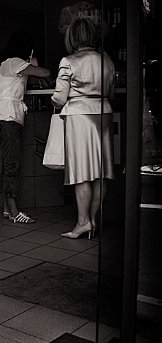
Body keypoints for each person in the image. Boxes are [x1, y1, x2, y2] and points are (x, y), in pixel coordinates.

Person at [51, 17, 115, 239]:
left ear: (72, 38)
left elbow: (59, 98)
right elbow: (112, 93)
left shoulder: (69, 61)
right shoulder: (106, 61)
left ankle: (82, 222)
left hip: (79, 117)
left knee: (82, 174)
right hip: (104, 113)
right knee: (101, 173)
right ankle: (94, 219)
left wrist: (55, 101)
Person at [0, 31, 51, 223]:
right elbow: (45, 73)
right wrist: (33, 60)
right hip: (9, 120)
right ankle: (15, 211)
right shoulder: (14, 62)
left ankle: (7, 209)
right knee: (12, 166)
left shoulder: (10, 64)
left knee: (7, 165)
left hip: (5, 119)